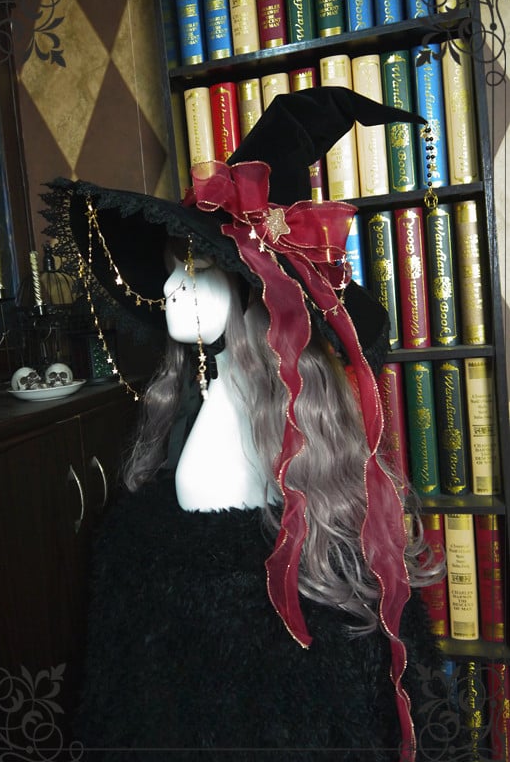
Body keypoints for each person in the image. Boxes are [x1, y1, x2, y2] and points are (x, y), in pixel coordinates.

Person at [42, 88, 451, 761]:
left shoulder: (227, 427)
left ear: (256, 294)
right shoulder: (235, 404)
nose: (169, 287)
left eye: (194, 266)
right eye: (172, 267)